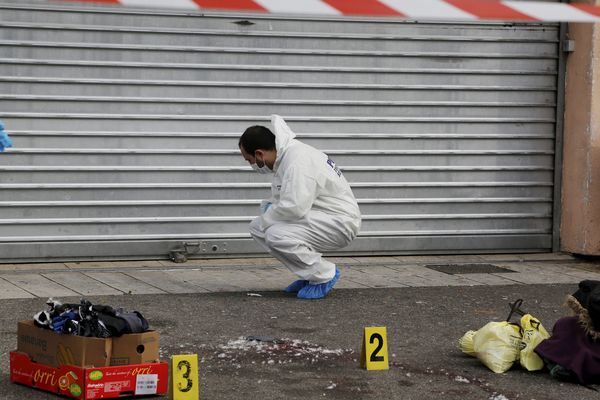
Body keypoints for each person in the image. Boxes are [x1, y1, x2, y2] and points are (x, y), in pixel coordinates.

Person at [239, 115, 361, 299]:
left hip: (340, 222)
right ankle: (310, 274)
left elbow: (295, 207)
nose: (252, 165)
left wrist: (269, 217)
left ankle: (324, 274)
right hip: (321, 216)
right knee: (257, 227)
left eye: (250, 161)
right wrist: (269, 214)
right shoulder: (286, 158)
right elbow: (289, 201)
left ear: (259, 154)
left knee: (275, 234)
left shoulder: (297, 161)